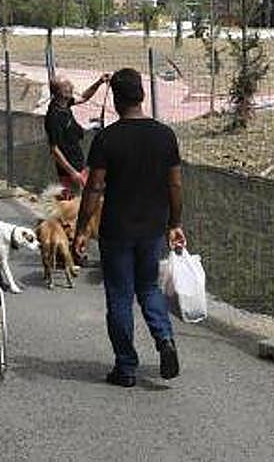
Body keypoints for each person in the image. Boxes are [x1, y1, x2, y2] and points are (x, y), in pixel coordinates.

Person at [73, 67, 185, 388]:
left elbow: (94, 188)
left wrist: (81, 230)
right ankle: (164, 339)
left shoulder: (107, 138)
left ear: (117, 100)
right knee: (149, 288)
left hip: (117, 230)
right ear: (142, 95)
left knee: (120, 297)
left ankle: (125, 368)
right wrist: (174, 223)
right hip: (152, 229)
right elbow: (175, 185)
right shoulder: (165, 135)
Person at [44, 73, 109, 198]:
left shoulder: (65, 104)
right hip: (69, 170)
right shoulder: (53, 117)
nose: (71, 87)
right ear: (58, 92)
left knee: (85, 197)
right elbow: (55, 150)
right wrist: (73, 173)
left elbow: (84, 98)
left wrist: (99, 82)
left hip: (78, 163)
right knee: (75, 202)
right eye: (66, 86)